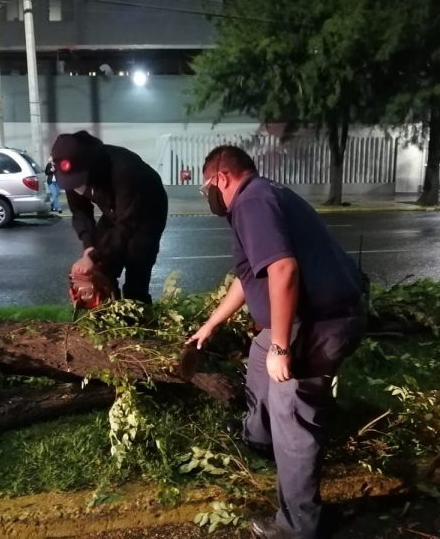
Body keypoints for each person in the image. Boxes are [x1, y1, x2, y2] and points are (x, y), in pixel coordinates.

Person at [187, 145, 367, 539]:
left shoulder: (253, 202)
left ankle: (298, 525)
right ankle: (261, 441)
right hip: (309, 318)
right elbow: (249, 277)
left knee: (293, 414)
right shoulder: (262, 196)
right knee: (258, 357)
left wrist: (281, 347)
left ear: (221, 178)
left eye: (206, 187)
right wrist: (211, 324)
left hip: (319, 324)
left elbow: (284, 270)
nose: (207, 195)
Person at [51, 130, 168, 303]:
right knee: (100, 268)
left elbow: (126, 224)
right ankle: (105, 309)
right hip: (114, 210)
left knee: (137, 265)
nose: (75, 185)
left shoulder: (124, 168)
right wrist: (89, 248)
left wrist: (92, 256)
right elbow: (80, 211)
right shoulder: (70, 172)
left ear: (89, 163)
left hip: (146, 210)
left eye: (79, 179)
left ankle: (137, 308)